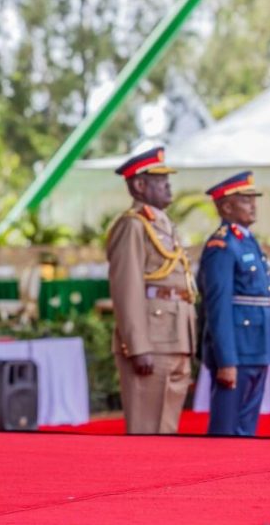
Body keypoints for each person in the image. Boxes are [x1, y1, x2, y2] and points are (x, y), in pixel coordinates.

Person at [105, 146, 196, 434]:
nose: (168, 185)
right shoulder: (133, 225)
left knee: (166, 427)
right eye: (159, 180)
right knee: (147, 429)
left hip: (174, 335)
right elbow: (126, 287)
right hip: (152, 339)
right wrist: (138, 345)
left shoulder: (163, 224)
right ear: (139, 185)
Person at [199, 171, 270, 437]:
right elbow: (218, 306)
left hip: (256, 345)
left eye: (252, 199)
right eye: (245, 200)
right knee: (226, 428)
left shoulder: (246, 240)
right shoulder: (221, 245)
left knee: (247, 428)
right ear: (226, 206)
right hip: (237, 350)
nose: (253, 205)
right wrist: (226, 361)